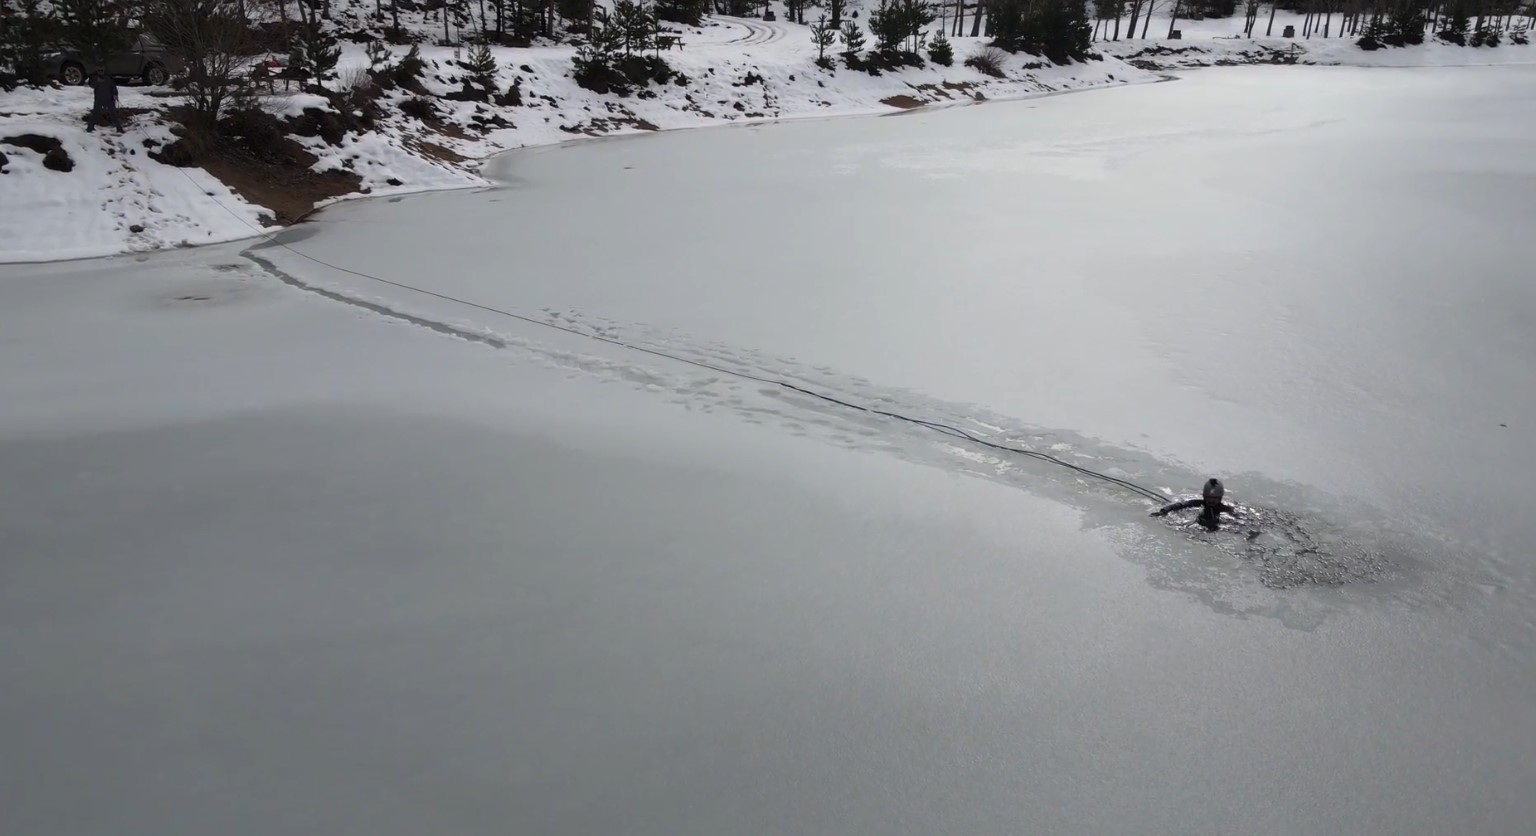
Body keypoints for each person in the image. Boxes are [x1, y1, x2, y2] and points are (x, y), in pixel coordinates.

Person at [1151, 477, 1240, 532]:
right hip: (1198, 528)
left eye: (1215, 498)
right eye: (1209, 497)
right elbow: (1180, 505)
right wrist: (1163, 511)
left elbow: (1239, 520)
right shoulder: (1198, 503)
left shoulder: (1225, 509)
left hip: (1217, 530)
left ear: (1220, 498)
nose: (1211, 501)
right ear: (1204, 496)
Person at [86, 67, 122, 134]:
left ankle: (119, 128)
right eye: (99, 70)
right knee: (95, 113)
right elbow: (91, 85)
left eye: (102, 70)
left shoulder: (108, 77)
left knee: (113, 113)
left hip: (109, 99)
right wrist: (97, 81)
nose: (100, 72)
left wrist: (115, 94)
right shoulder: (94, 77)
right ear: (96, 70)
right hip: (99, 99)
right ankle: (90, 128)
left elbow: (113, 86)